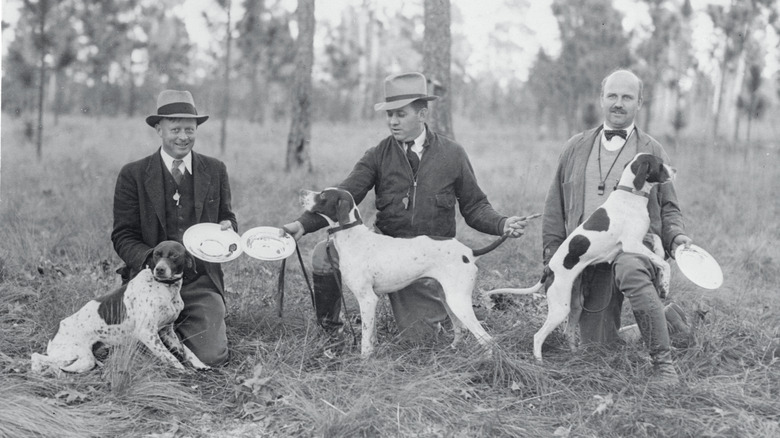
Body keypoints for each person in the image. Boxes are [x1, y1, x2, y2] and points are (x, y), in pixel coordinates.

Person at [283, 72, 529, 341]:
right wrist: (302, 224)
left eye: (400, 114)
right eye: (389, 115)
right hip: (384, 252)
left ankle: (440, 312)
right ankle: (331, 332)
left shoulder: (452, 154)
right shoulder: (378, 154)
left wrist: (502, 223)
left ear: (422, 115)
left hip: (427, 258)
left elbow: (475, 206)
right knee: (324, 254)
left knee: (422, 341)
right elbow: (343, 195)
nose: (392, 121)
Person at [543, 69, 692, 384]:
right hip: (589, 253)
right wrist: (550, 251)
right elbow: (554, 204)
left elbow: (669, 206)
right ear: (601, 99)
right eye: (612, 96)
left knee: (630, 269)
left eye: (627, 97)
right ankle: (663, 318)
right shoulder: (575, 146)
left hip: (632, 249)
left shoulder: (652, 149)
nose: (618, 104)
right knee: (597, 350)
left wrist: (676, 237)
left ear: (639, 102)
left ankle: (663, 367)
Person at [112, 90, 237, 367]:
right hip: (148, 282)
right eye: (175, 129)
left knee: (211, 356)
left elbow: (227, 218)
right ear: (159, 129)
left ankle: (188, 325)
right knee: (126, 353)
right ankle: (160, 331)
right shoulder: (133, 174)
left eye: (189, 130)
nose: (183, 137)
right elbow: (122, 235)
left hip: (199, 282)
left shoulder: (215, 170)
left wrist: (227, 230)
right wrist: (152, 263)